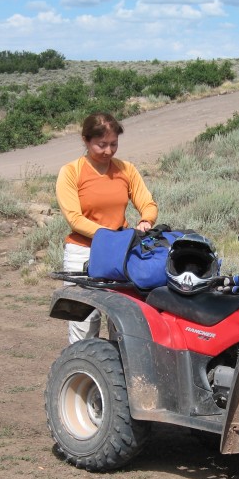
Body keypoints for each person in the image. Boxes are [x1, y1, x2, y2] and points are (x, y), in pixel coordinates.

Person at [56, 112, 158, 343]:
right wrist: (111, 238)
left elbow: (147, 202)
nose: (109, 151)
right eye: (101, 145)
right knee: (83, 326)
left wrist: (146, 220)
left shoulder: (126, 169)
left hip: (120, 255)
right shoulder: (71, 172)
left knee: (123, 324)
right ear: (85, 140)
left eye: (114, 144)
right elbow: (75, 218)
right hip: (84, 253)